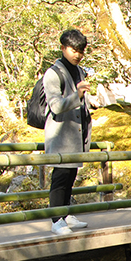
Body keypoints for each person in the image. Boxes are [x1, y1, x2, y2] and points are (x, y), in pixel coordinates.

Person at [43, 28, 92, 235]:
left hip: (77, 133)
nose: (78, 55)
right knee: (61, 176)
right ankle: (56, 220)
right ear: (63, 48)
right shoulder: (53, 73)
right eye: (74, 50)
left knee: (71, 174)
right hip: (61, 134)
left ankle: (66, 214)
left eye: (81, 50)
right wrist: (77, 96)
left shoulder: (79, 71)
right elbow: (55, 106)